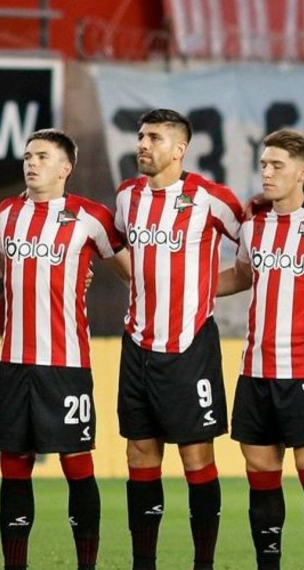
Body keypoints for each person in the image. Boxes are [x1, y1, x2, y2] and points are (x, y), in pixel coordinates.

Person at [0, 129, 132, 570]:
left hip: (66, 364)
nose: (31, 163)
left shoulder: (91, 218)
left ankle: (86, 565)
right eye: (27, 156)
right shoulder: (8, 214)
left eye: (42, 156)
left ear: (65, 168)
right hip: (13, 364)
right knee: (14, 466)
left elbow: (131, 273)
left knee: (76, 465)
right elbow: (3, 275)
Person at [215, 129, 304, 570]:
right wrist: (189, 286)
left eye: (277, 165)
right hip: (256, 369)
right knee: (260, 474)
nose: (267, 173)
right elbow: (242, 275)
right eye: (264, 165)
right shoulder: (252, 225)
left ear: (302, 172)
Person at [114, 108, 243, 570]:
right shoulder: (127, 197)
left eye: (154, 137)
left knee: (195, 456)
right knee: (139, 453)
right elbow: (115, 247)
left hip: (189, 347)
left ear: (180, 149)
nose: (142, 144)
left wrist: (203, 288)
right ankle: (143, 562)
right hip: (137, 345)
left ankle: (203, 563)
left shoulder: (212, 199)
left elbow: (260, 252)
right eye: (141, 136)